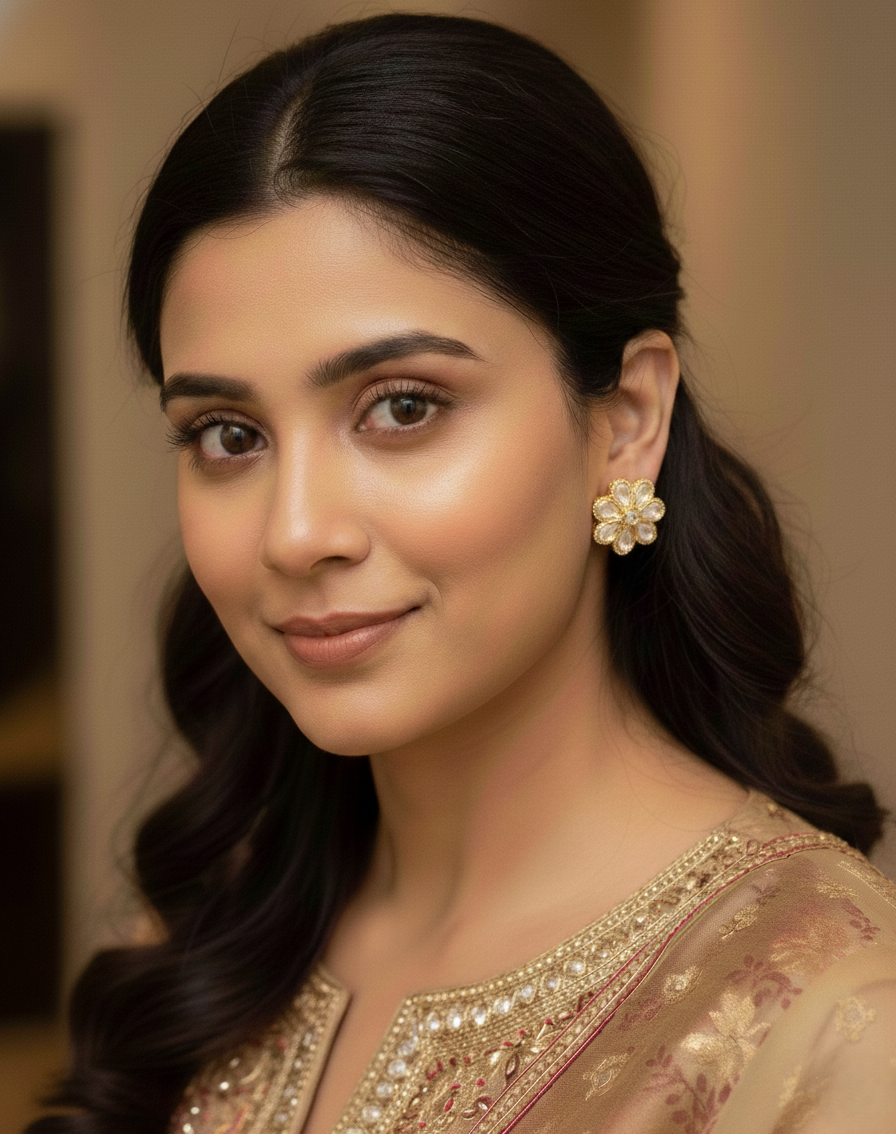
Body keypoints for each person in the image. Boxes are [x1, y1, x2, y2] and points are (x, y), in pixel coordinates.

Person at [30, 12, 896, 1134]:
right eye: (228, 434)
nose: (294, 533)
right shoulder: (206, 939)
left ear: (625, 421)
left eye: (402, 408)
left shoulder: (830, 1023)